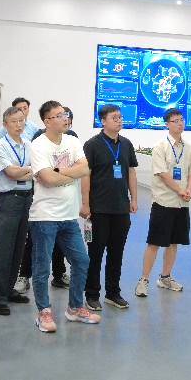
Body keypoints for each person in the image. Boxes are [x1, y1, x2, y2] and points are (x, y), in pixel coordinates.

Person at [28, 100, 98, 332]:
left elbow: (84, 169)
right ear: (47, 121)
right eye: (59, 115)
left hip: (68, 216)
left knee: (81, 261)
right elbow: (47, 179)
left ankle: (75, 307)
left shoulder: (73, 141)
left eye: (65, 113)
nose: (65, 117)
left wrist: (57, 171)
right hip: (44, 216)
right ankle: (44, 312)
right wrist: (69, 173)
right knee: (42, 266)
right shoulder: (38, 145)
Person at [81, 104, 139, 312]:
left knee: (117, 253)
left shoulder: (126, 144)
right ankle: (92, 294)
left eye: (120, 117)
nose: (119, 120)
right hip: (99, 209)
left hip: (121, 208)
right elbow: (85, 175)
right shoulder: (92, 145)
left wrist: (134, 198)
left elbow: (131, 172)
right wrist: (86, 203)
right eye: (115, 117)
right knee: (95, 254)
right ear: (103, 121)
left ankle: (113, 293)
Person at [135, 108, 191, 297]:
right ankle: (144, 280)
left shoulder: (189, 148)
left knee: (173, 242)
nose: (180, 123)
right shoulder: (160, 147)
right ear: (167, 125)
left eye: (181, 120)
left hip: (181, 204)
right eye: (175, 121)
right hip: (163, 202)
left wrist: (188, 190)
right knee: (154, 243)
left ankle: (165, 277)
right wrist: (180, 190)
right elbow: (163, 173)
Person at [0, 107, 34, 315]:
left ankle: (9, 289)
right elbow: (11, 173)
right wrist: (29, 171)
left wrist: (24, 172)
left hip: (27, 199)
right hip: (9, 199)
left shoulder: (29, 145)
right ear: (5, 124)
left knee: (18, 247)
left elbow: (36, 170)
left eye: (22, 120)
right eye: (14, 121)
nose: (19, 124)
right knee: (3, 249)